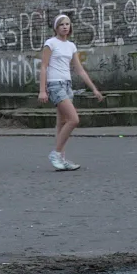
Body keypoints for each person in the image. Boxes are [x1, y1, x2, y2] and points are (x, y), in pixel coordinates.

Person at [37, 13, 104, 171]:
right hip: (55, 85)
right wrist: (42, 90)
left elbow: (79, 70)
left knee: (61, 123)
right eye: (61, 24)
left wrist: (94, 89)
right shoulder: (50, 43)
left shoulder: (71, 46)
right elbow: (44, 66)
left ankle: (61, 159)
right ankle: (56, 153)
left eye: (67, 24)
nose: (65, 27)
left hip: (67, 85)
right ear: (56, 27)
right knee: (74, 119)